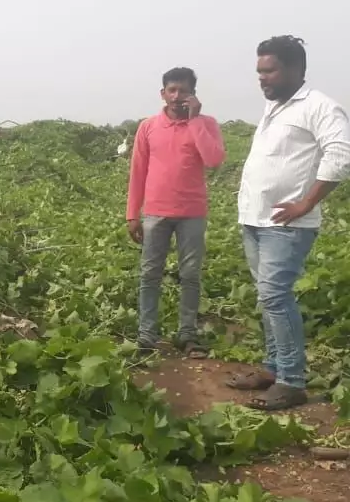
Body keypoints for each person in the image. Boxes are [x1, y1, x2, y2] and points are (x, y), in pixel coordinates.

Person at [226, 36, 350, 410]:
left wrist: (306, 202)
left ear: (296, 69)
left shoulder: (319, 106)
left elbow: (341, 154)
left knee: (276, 296)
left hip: (287, 225)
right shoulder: (275, 107)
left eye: (270, 70)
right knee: (267, 298)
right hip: (256, 219)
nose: (262, 78)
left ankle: (292, 381)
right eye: (260, 71)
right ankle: (272, 369)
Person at [126, 67, 226, 357]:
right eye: (172, 90)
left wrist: (194, 121)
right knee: (149, 274)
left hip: (192, 212)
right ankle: (147, 334)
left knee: (191, 274)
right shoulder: (148, 126)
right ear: (163, 93)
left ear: (193, 94)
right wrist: (133, 213)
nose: (177, 96)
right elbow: (138, 171)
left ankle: (187, 334)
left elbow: (214, 159)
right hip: (155, 212)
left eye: (183, 91)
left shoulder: (206, 124)